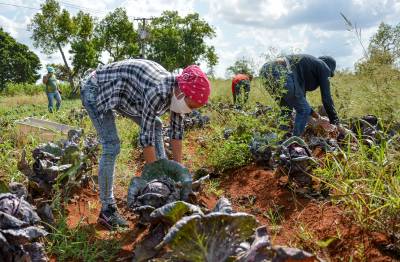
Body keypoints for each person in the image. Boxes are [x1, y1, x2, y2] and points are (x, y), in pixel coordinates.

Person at [80, 59, 211, 229]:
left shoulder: (178, 94)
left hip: (124, 93)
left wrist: (177, 175)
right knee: (111, 146)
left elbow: (176, 133)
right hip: (97, 88)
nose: (191, 110)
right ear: (181, 92)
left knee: (157, 125)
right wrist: (156, 185)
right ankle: (107, 210)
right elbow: (146, 138)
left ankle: (165, 177)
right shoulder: (158, 91)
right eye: (191, 106)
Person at [260, 54, 339, 136]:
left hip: (265, 71)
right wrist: (335, 121)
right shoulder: (323, 66)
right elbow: (326, 98)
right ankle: (295, 142)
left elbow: (302, 103)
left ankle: (280, 138)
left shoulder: (304, 69)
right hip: (280, 72)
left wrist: (318, 117)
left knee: (286, 110)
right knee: (304, 110)